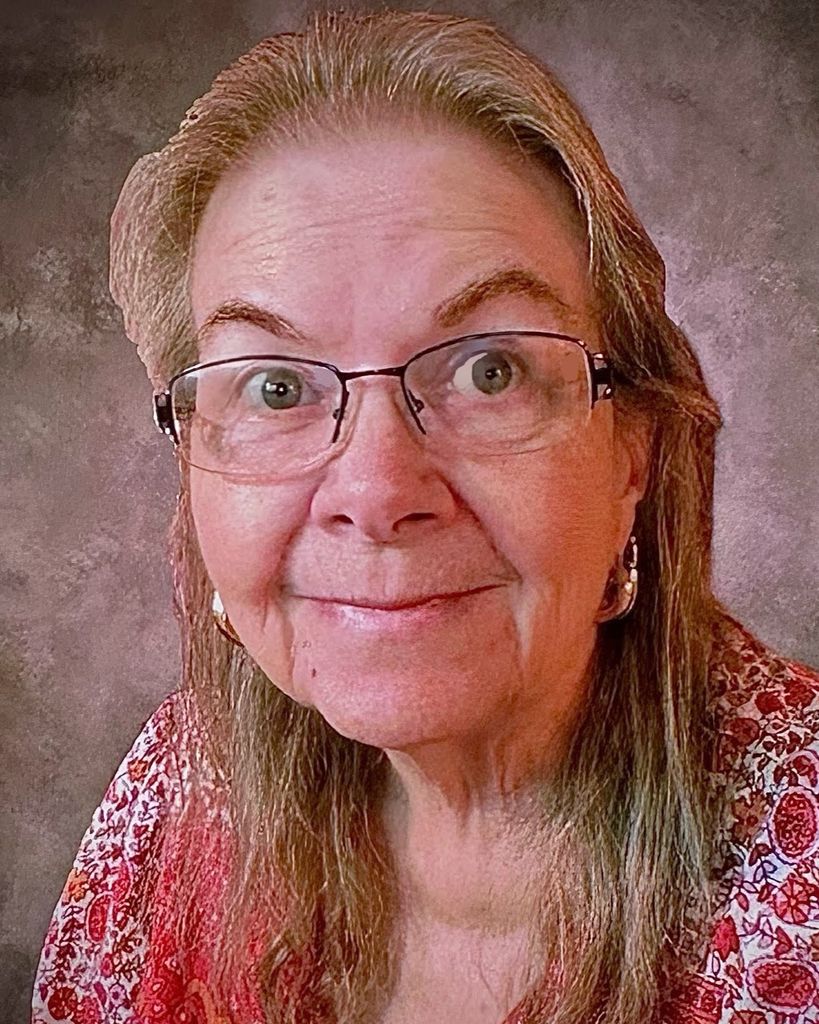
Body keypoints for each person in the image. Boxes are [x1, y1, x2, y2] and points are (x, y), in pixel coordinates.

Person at [31, 8, 819, 1024]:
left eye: (490, 371)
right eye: (275, 386)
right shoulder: (174, 790)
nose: (374, 491)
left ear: (634, 453)